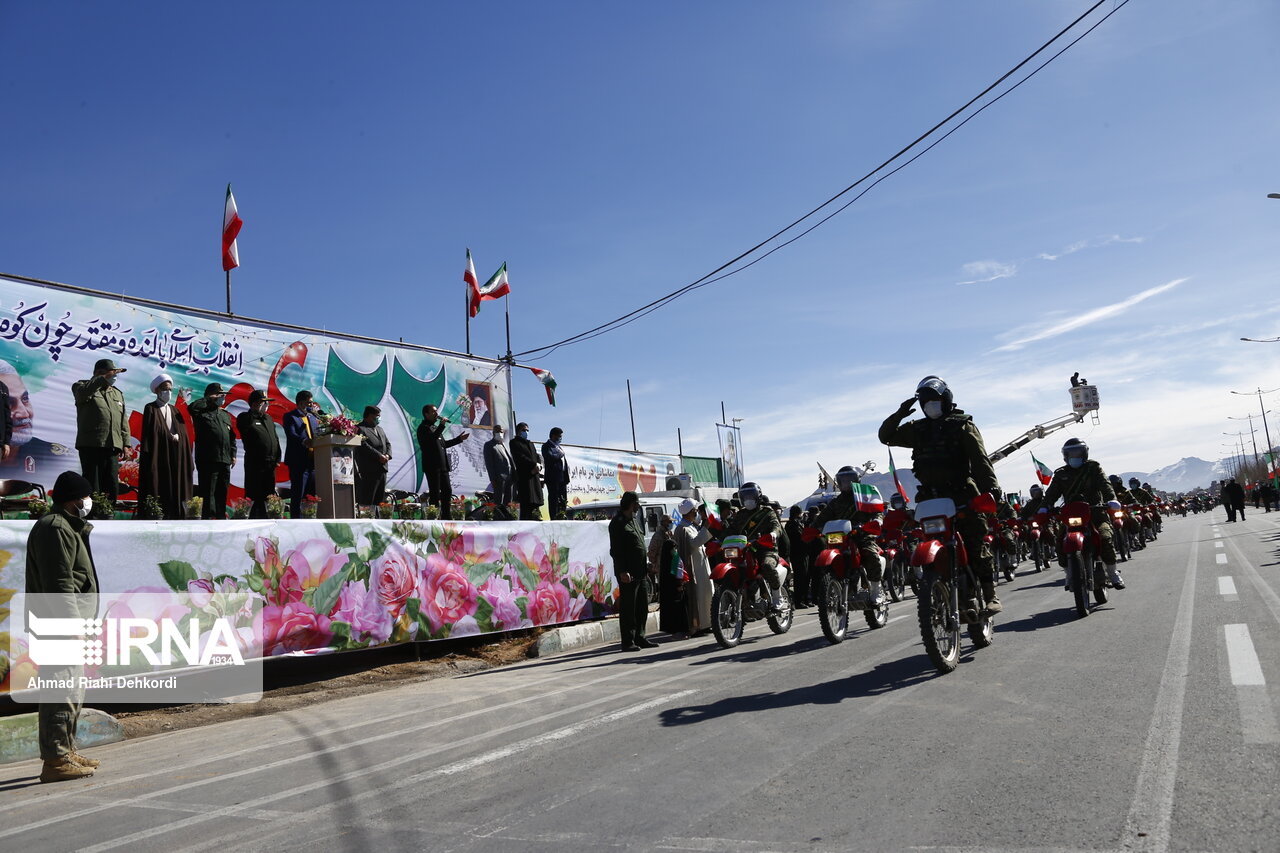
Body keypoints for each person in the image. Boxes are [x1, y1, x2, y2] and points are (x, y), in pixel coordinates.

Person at [879, 375, 1003, 612]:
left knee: (975, 541)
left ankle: (989, 593)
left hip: (962, 494)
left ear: (945, 399)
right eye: (925, 403)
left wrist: (991, 490)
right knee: (927, 541)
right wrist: (899, 414)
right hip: (930, 499)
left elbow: (980, 461)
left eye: (934, 400)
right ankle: (937, 584)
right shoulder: (918, 429)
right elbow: (886, 436)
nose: (929, 406)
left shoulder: (962, 425)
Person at [26, 471, 100, 782]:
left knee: (72, 688)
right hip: (59, 624)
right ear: (74, 501)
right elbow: (60, 584)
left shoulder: (68, 527)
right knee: (61, 689)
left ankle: (65, 749)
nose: (88, 502)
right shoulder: (56, 529)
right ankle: (55, 759)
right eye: (85, 497)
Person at [1025, 438, 1125, 590]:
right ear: (1065, 455)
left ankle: (1112, 573)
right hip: (1071, 515)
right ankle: (1069, 573)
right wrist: (1045, 507)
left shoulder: (1093, 468)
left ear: (1084, 453)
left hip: (1096, 512)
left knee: (1105, 538)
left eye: (1077, 452)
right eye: (1070, 453)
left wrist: (1111, 499)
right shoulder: (1060, 474)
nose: (1074, 456)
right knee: (1060, 542)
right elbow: (1052, 494)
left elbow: (1105, 485)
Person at [812, 466, 886, 605]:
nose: (846, 483)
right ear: (839, 482)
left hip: (862, 534)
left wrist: (877, 520)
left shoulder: (865, 496)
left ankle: (876, 591)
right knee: (827, 557)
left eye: (849, 480)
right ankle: (835, 584)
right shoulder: (835, 502)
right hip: (840, 536)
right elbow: (822, 518)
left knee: (870, 554)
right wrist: (813, 527)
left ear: (856, 480)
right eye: (843, 480)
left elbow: (877, 510)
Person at [0, 359, 74, 480]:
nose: (24, 413)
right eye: (9, 403)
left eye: (25, 399)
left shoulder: (56, 457)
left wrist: (5, 441)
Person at [71, 358, 130, 499]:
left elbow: (123, 421)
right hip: (92, 444)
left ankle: (107, 514)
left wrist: (126, 444)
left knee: (111, 485)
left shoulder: (117, 393)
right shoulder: (81, 386)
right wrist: (102, 379)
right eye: (112, 374)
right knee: (93, 484)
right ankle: (93, 516)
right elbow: (82, 395)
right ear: (99, 373)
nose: (114, 377)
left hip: (112, 445)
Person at [137, 373, 193, 519]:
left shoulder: (175, 410)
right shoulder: (151, 408)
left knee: (175, 485)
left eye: (170, 389)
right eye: (164, 389)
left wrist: (178, 438)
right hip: (159, 454)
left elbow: (183, 432)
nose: (168, 392)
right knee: (160, 484)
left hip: (175, 455)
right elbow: (152, 433)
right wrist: (169, 437)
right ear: (157, 390)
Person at [723, 481, 784, 611]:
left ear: (758, 496)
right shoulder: (740, 515)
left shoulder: (767, 512)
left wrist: (773, 533)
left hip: (766, 549)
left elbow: (776, 525)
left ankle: (777, 598)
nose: (748, 499)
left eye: (750, 496)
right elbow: (731, 530)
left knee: (767, 565)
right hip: (745, 550)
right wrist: (719, 539)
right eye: (745, 497)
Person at [610, 491, 656, 651]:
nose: (638, 506)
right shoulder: (618, 523)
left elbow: (639, 545)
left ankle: (640, 637)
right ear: (630, 503)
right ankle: (628, 641)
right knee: (629, 607)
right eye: (637, 503)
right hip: (628, 573)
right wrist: (623, 571)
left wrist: (648, 563)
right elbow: (616, 550)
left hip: (641, 571)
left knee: (642, 606)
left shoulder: (634, 521)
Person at [188, 383, 235, 519]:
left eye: (223, 395)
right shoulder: (201, 411)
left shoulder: (225, 415)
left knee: (222, 492)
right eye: (220, 395)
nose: (223, 397)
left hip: (224, 459)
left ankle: (220, 519)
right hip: (208, 459)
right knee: (208, 493)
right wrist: (209, 399)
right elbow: (191, 408)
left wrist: (232, 454)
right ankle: (208, 521)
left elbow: (230, 436)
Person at [417, 404, 469, 520]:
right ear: (426, 414)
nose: (437, 414)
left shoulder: (435, 428)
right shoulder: (423, 428)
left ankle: (446, 516)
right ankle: (433, 517)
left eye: (436, 411)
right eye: (434, 412)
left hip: (443, 466)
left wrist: (459, 439)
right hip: (432, 466)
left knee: (447, 491)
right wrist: (442, 425)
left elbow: (443, 444)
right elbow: (431, 440)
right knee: (435, 493)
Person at [236, 389, 280, 519]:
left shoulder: (268, 418)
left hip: (270, 464)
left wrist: (277, 458)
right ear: (256, 403)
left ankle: (268, 520)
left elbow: (275, 439)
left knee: (269, 495)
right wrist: (254, 410)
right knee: (254, 494)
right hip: (255, 463)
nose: (267, 405)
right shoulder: (245, 417)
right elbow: (245, 426)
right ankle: (252, 520)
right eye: (264, 402)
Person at [675, 498, 713, 633]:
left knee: (706, 594)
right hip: (694, 568)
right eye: (695, 511)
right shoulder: (683, 528)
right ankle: (700, 625)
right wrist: (706, 528)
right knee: (700, 596)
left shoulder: (690, 526)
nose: (697, 513)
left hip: (700, 566)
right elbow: (694, 543)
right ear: (690, 512)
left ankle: (707, 623)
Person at [283, 391, 321, 518]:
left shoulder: (313, 417)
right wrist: (304, 441)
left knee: (311, 495)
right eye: (309, 402)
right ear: (301, 403)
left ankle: (309, 518)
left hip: (313, 462)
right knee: (298, 493)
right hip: (298, 462)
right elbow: (292, 434)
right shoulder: (290, 416)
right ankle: (296, 519)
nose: (311, 405)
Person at [354, 405, 392, 507]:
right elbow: (363, 445)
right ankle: (367, 519)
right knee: (368, 499)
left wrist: (388, 455)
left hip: (382, 468)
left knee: (379, 500)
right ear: (370, 416)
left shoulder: (380, 429)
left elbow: (387, 444)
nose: (379, 418)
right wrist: (379, 456)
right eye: (377, 416)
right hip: (369, 470)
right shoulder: (360, 428)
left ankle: (378, 520)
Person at [510, 422, 544, 520]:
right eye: (524, 430)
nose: (526, 432)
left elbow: (537, 457)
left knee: (535, 502)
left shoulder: (530, 444)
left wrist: (539, 466)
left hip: (534, 475)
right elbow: (520, 457)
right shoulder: (514, 442)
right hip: (524, 476)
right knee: (526, 502)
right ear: (518, 431)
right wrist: (533, 464)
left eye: (527, 430)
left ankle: (536, 518)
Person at [483, 425, 515, 517]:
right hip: (498, 478)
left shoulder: (503, 444)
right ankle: (497, 517)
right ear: (493, 432)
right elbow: (489, 464)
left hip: (509, 478)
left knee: (508, 501)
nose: (500, 433)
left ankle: (507, 517)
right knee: (498, 501)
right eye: (497, 431)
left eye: (501, 431)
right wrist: (492, 479)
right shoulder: (489, 445)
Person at [541, 427, 570, 519]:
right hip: (553, 478)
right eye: (559, 436)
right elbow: (549, 457)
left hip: (562, 478)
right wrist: (560, 454)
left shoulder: (559, 447)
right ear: (553, 436)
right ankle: (554, 518)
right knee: (554, 499)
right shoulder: (546, 446)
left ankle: (562, 516)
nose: (560, 438)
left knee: (563, 500)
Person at [785, 506, 809, 607]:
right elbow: (800, 537)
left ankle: (802, 599)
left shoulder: (793, 523)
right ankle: (799, 600)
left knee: (803, 577)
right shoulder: (793, 524)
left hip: (800, 553)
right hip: (798, 553)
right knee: (800, 578)